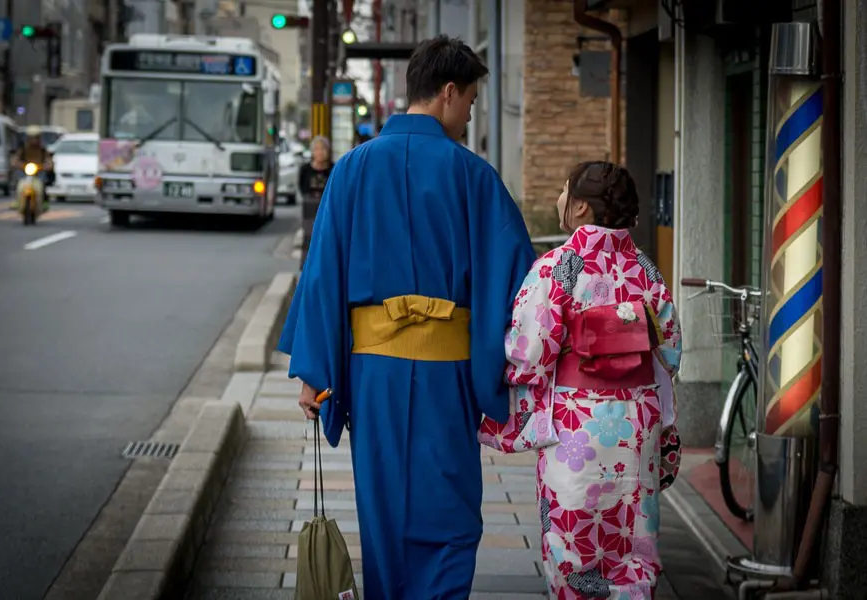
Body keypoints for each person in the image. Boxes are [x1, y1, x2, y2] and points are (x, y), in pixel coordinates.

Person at [277, 35, 537, 599]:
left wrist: (315, 373)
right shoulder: (474, 177)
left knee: (385, 509)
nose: (469, 114)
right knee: (451, 511)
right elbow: (520, 281)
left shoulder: (352, 170)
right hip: (448, 373)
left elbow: (324, 272)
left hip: (375, 377)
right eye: (469, 101)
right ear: (447, 93)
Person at [487, 162, 682, 599]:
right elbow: (671, 350)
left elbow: (528, 356)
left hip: (578, 425)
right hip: (638, 424)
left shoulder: (558, 267)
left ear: (577, 206)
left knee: (572, 543)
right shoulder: (646, 270)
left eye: (562, 189)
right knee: (634, 543)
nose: (559, 198)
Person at [11, 126, 53, 210]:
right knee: (18, 181)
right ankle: (16, 200)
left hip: (39, 170)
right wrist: (18, 164)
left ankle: (44, 201)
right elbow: (15, 159)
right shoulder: (23, 148)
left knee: (43, 182)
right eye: (32, 138)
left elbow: (49, 160)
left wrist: (47, 166)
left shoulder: (43, 149)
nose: (34, 140)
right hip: (25, 170)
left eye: (36, 138)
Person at [296, 135, 332, 205]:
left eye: (323, 148)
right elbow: (302, 189)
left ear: (328, 151)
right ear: (312, 151)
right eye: (317, 149)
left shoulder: (334, 169)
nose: (320, 152)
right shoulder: (305, 169)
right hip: (309, 207)